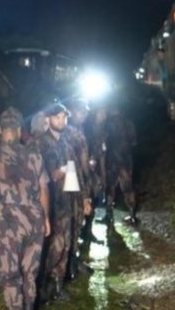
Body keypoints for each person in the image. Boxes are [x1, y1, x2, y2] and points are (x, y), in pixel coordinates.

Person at [0, 107, 50, 310]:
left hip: (9, 225)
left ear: (0, 129)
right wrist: (46, 218)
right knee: (30, 274)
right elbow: (44, 189)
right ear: (19, 130)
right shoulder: (35, 155)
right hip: (35, 222)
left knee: (10, 276)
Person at [34, 102, 92, 302]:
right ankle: (41, 285)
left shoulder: (66, 143)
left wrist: (84, 198)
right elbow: (35, 176)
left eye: (64, 117)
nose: (61, 121)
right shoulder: (39, 144)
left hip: (67, 202)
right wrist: (56, 173)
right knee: (54, 245)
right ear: (48, 119)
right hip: (48, 204)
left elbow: (76, 173)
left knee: (66, 244)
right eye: (57, 117)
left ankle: (57, 286)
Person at [63, 97, 94, 277]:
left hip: (71, 181)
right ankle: (67, 266)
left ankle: (71, 261)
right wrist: (85, 193)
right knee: (70, 224)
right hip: (69, 183)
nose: (85, 114)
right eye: (81, 111)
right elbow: (80, 165)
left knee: (74, 224)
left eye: (86, 111)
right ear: (72, 112)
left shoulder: (78, 130)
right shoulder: (72, 133)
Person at [105, 104, 139, 224]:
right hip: (126, 159)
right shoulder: (129, 123)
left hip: (112, 160)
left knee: (110, 188)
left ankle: (109, 215)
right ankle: (132, 215)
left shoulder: (107, 124)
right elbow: (134, 141)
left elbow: (103, 142)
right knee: (128, 188)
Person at [85, 106, 109, 222]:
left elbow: (103, 152)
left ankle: (89, 226)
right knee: (88, 194)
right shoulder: (88, 129)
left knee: (95, 195)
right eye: (101, 112)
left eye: (105, 113)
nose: (104, 115)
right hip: (88, 165)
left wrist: (103, 174)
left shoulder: (104, 130)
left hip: (99, 165)